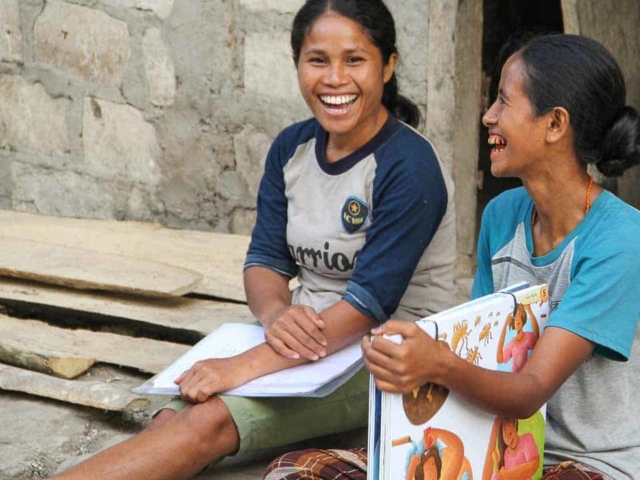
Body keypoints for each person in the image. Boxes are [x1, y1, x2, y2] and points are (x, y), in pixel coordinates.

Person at [51, 0, 455, 478]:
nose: (334, 79)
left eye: (355, 59)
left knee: (206, 423)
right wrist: (276, 314)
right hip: (310, 344)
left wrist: (244, 366)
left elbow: (369, 305)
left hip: (388, 354)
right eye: (317, 59)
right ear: (298, 64)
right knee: (171, 415)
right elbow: (264, 260)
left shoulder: (409, 166)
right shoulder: (292, 148)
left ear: (388, 66)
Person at [265, 33, 640, 480]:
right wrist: (410, 361)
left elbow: (529, 391)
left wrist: (439, 363)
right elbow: (483, 354)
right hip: (494, 449)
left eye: (503, 102)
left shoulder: (621, 239)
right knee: (296, 471)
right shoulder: (503, 215)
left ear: (555, 124)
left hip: (588, 464)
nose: (488, 116)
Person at [497, 303, 540, 372]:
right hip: (516, 377)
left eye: (519, 315)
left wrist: (530, 312)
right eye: (516, 316)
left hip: (526, 375)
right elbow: (500, 359)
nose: (517, 319)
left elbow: (538, 342)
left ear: (523, 319)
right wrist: (505, 325)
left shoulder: (528, 337)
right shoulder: (511, 344)